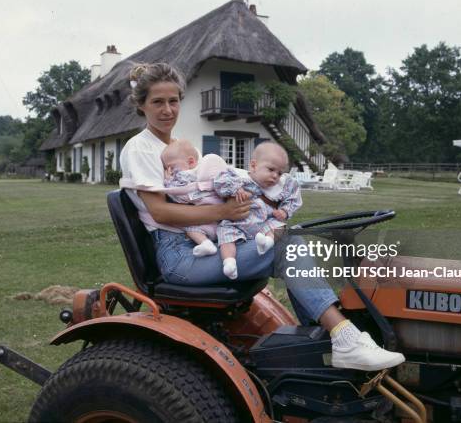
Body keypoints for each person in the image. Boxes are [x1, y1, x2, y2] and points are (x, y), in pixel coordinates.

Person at [119, 62, 405, 371]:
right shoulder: (140, 149)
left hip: (208, 243)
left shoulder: (178, 147)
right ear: (142, 105)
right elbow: (159, 210)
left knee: (285, 234)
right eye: (157, 102)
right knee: (285, 247)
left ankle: (324, 343)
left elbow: (210, 184)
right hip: (179, 256)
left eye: (173, 101)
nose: (167, 109)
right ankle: (345, 339)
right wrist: (224, 211)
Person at [213, 142, 302, 280]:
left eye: (279, 173)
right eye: (271, 169)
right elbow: (219, 182)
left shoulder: (278, 188)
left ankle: (267, 243)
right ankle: (229, 262)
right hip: (237, 224)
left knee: (278, 226)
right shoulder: (239, 178)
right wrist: (236, 189)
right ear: (253, 166)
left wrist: (284, 211)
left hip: (263, 224)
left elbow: (293, 197)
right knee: (225, 234)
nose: (275, 176)